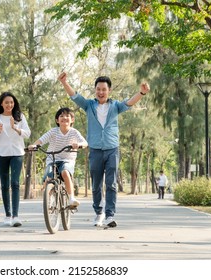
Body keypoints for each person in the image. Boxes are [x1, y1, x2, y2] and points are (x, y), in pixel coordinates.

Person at [58, 72, 150, 227]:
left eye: (104, 89)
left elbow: (130, 102)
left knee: (111, 183)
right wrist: (64, 83)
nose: (101, 92)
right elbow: (74, 95)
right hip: (95, 150)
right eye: (98, 89)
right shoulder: (89, 105)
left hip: (112, 149)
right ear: (95, 90)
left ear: (109, 91)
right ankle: (99, 213)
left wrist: (141, 92)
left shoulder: (116, 106)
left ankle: (110, 215)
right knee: (96, 184)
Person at [0, 92, 31, 227]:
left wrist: (15, 128)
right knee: (5, 185)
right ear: (1, 104)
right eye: (6, 102)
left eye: (11, 102)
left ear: (14, 103)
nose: (9, 105)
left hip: (17, 153)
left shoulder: (20, 117)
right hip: (2, 154)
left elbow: (27, 134)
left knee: (15, 183)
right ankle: (7, 215)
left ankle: (16, 216)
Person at [28, 107, 88, 207]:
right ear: (57, 120)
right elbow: (41, 140)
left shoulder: (74, 132)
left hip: (68, 160)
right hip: (53, 159)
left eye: (67, 116)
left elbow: (85, 142)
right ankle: (49, 199)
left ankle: (71, 198)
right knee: (49, 176)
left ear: (72, 120)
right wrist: (34, 145)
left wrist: (78, 144)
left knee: (65, 172)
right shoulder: (53, 132)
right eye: (61, 116)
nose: (64, 117)